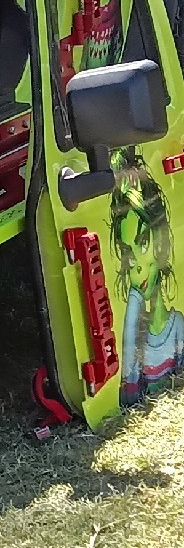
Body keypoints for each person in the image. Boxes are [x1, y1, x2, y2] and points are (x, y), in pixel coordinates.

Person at [110, 148, 184, 405]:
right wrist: (132, 312)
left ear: (159, 243)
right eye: (128, 254)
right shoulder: (137, 335)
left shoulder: (177, 326)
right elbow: (129, 396)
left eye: (143, 244)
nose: (138, 267)